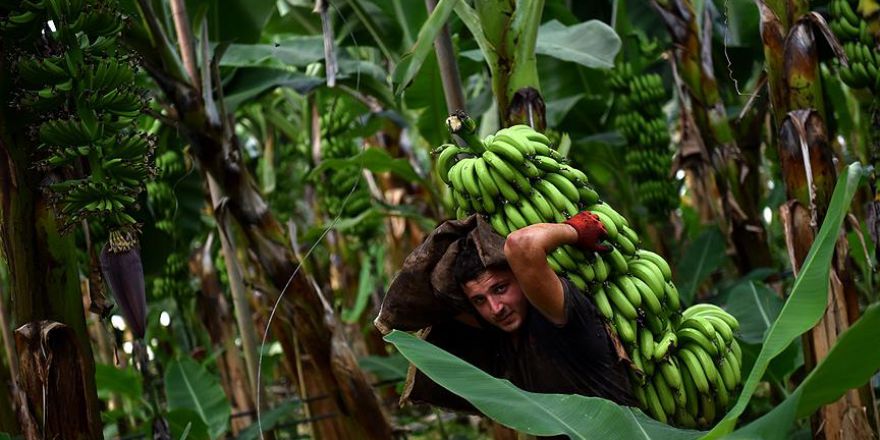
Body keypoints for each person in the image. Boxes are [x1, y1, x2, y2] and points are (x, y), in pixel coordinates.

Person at [448, 211, 636, 405]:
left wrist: (574, 230)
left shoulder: (554, 310)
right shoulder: (501, 334)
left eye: (500, 288)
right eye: (479, 300)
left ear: (521, 277)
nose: (495, 309)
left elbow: (522, 245)